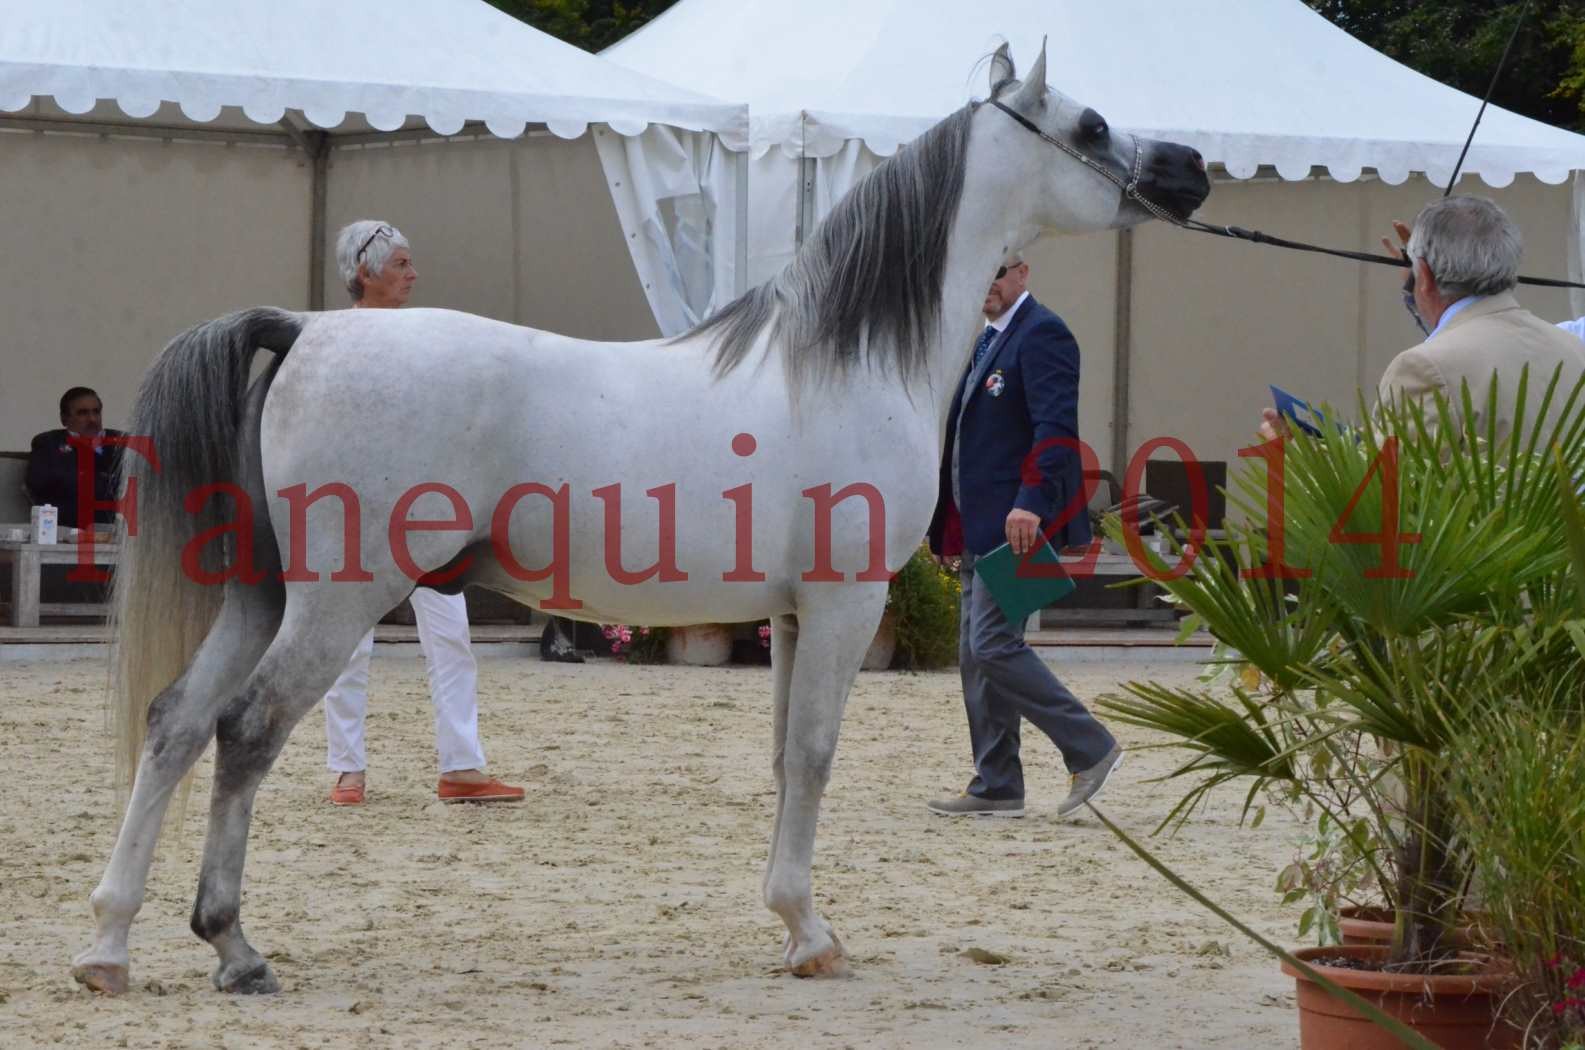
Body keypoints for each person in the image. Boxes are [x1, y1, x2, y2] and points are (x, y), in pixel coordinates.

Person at [322, 219, 523, 807]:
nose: (414, 274)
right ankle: (346, 769)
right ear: (365, 272)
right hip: (356, 508)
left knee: (450, 637)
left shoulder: (425, 337)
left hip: (425, 511)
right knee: (348, 643)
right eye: (402, 264)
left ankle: (461, 767)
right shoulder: (336, 342)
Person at [925, 257, 1124, 819]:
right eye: (979, 268)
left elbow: (1056, 432)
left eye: (998, 271)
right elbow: (963, 441)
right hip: (980, 524)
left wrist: (1032, 504)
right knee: (973, 654)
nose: (986, 281)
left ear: (1023, 272)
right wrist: (947, 523)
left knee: (992, 644)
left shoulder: (1043, 333)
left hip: (1020, 524)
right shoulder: (981, 340)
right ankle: (997, 784)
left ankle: (1092, 747)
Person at [1261, 198, 1585, 444]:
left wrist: (1299, 455)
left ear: (1424, 275)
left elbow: (1385, 498)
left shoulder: (1424, 369)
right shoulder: (1573, 349)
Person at [27, 387, 123, 529]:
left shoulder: (121, 443)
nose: (92, 419)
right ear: (64, 419)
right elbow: (39, 485)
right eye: (82, 413)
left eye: (96, 412)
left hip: (114, 530)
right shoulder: (48, 443)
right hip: (64, 529)